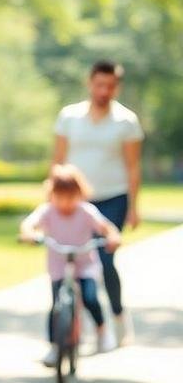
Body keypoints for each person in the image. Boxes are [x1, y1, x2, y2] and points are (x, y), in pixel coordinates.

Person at [52, 60, 143, 344]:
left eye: (110, 86)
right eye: (99, 84)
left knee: (104, 259)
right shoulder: (69, 117)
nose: (104, 91)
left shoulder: (126, 121)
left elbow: (132, 167)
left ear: (117, 87)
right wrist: (50, 197)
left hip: (113, 197)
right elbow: (58, 161)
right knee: (72, 259)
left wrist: (134, 207)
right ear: (90, 83)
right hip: (75, 200)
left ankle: (116, 316)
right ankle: (75, 325)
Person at [19, 164, 122, 363]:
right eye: (60, 197)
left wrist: (112, 237)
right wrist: (29, 233)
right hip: (59, 264)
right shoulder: (48, 211)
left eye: (70, 197)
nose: (65, 203)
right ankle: (55, 347)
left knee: (91, 298)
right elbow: (29, 223)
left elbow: (106, 227)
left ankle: (102, 331)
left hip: (85, 264)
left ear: (80, 194)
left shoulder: (86, 211)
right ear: (52, 195)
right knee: (57, 305)